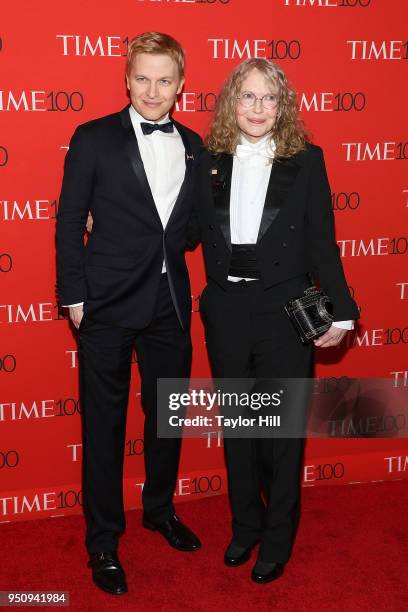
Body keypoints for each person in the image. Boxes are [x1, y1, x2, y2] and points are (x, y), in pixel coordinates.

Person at [189, 58, 359, 584]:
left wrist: (344, 311)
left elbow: (320, 242)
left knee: (280, 433)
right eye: (247, 97)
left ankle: (278, 538)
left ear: (281, 105)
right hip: (226, 309)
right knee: (239, 427)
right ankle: (246, 526)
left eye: (268, 98)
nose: (257, 108)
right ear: (230, 103)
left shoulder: (307, 161)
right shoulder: (208, 159)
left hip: (284, 311)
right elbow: (179, 228)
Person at [56, 32, 202, 596]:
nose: (153, 90)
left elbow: (188, 229)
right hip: (106, 305)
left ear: (181, 85)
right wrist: (74, 294)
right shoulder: (92, 138)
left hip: (168, 303)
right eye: (142, 77)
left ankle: (160, 510)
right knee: (105, 425)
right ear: (126, 79)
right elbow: (70, 221)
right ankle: (103, 541)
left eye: (165, 80)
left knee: (167, 416)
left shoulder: (193, 146)